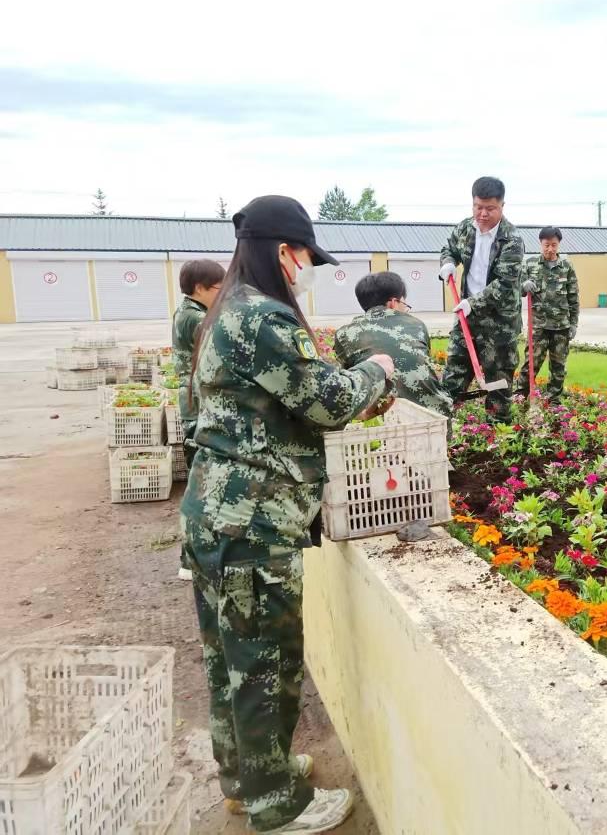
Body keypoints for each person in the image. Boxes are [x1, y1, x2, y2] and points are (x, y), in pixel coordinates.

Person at [182, 195, 395, 834]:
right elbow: (328, 401)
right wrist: (377, 371)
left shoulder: (227, 310)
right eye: (307, 257)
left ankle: (248, 779)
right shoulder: (263, 317)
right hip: (252, 522)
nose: (309, 270)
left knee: (229, 661)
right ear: (284, 252)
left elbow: (282, 398)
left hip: (217, 513)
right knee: (265, 664)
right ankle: (277, 805)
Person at [437, 176, 525, 423]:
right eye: (478, 207)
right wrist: (448, 262)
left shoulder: (512, 239)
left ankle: (498, 434)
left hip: (500, 323)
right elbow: (449, 249)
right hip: (467, 318)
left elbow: (505, 284)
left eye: (490, 208)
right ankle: (442, 428)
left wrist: (472, 303)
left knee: (498, 383)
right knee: (453, 375)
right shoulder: (465, 228)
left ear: (502, 206)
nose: (483, 214)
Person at [333, 271, 452, 418]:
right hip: (434, 414)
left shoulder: (344, 334)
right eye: (404, 304)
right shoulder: (416, 324)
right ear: (393, 303)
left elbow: (349, 382)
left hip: (379, 415)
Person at [171, 258, 225, 581]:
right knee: (201, 487)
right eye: (219, 288)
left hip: (195, 404)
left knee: (201, 485)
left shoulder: (188, 312)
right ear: (199, 288)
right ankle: (190, 562)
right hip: (199, 408)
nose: (222, 293)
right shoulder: (196, 318)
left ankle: (194, 559)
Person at [515, 226, 580, 402]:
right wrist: (523, 286)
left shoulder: (566, 266)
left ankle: (554, 400)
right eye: (546, 245)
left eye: (554, 245)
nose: (550, 249)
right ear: (540, 244)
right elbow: (516, 289)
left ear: (558, 244)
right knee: (531, 362)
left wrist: (574, 324)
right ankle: (520, 395)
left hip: (561, 326)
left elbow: (573, 298)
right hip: (539, 326)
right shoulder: (530, 264)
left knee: (558, 366)